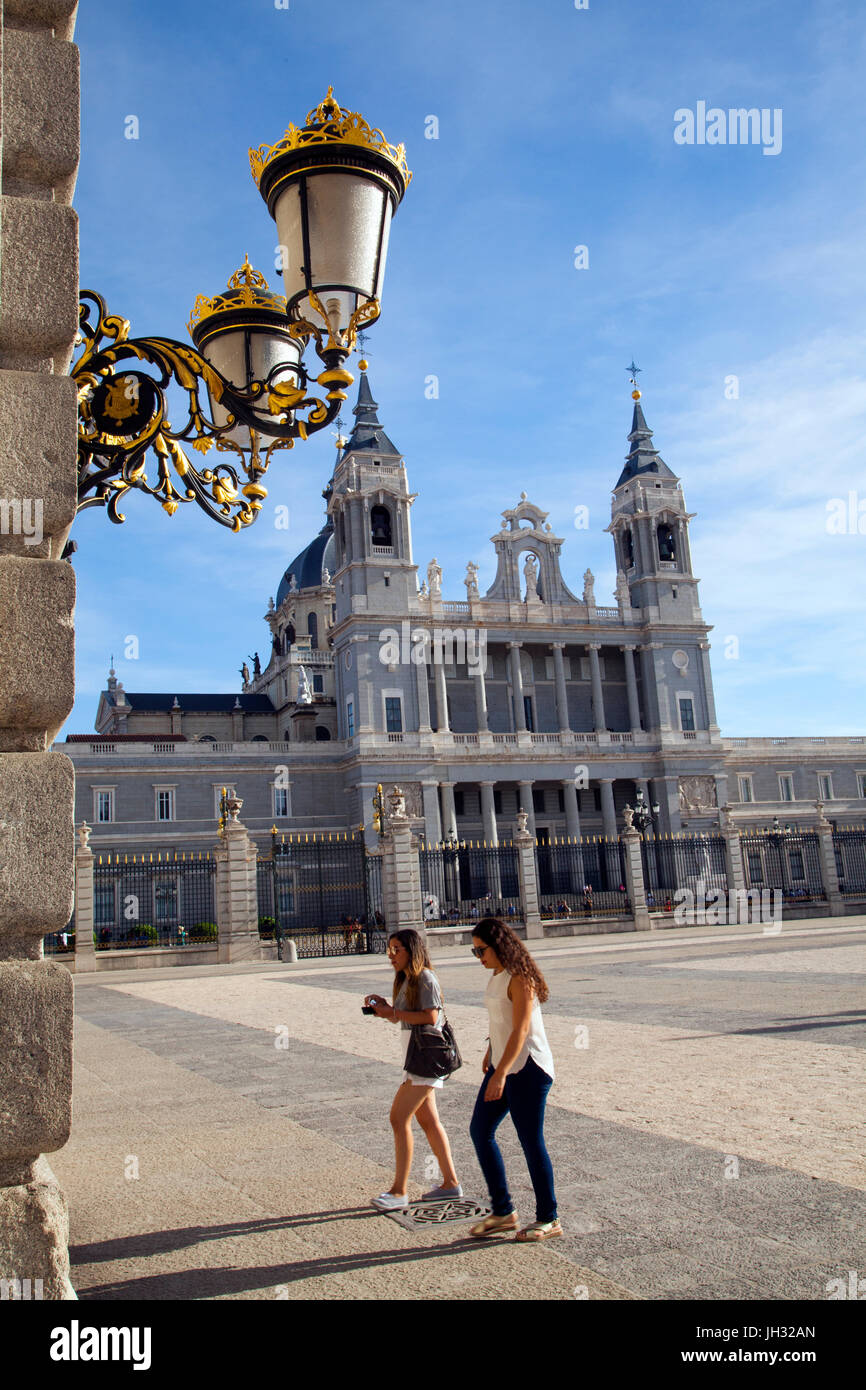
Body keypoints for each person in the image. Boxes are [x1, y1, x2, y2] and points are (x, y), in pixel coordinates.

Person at [468, 917, 562, 1241]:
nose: (478, 957)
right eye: (475, 951)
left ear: (499, 946)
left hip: (529, 1068)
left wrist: (501, 1073)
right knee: (480, 1131)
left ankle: (549, 1218)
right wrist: (490, 1051)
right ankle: (503, 1211)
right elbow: (501, 1019)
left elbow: (521, 1029)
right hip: (503, 1063)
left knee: (530, 1141)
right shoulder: (496, 974)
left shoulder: (520, 977)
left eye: (482, 951)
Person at [364, 929, 462, 1211]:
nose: (391, 955)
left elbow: (430, 1017)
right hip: (415, 1057)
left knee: (398, 1118)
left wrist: (393, 1013)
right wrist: (384, 1008)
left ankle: (399, 1191)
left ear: (412, 950)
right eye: (389, 949)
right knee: (429, 1122)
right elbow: (405, 1019)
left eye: (397, 949)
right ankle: (451, 1184)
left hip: (425, 1060)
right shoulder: (406, 979)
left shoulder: (426, 978)